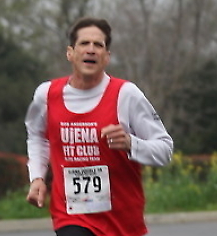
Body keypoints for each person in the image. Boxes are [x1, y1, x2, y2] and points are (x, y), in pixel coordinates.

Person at [25, 17, 173, 236]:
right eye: (84, 43)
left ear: (107, 57)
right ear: (70, 53)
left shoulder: (127, 94)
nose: (91, 50)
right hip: (71, 214)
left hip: (122, 219)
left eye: (98, 45)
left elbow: (165, 150)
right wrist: (37, 176)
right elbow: (37, 136)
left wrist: (131, 143)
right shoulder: (46, 95)